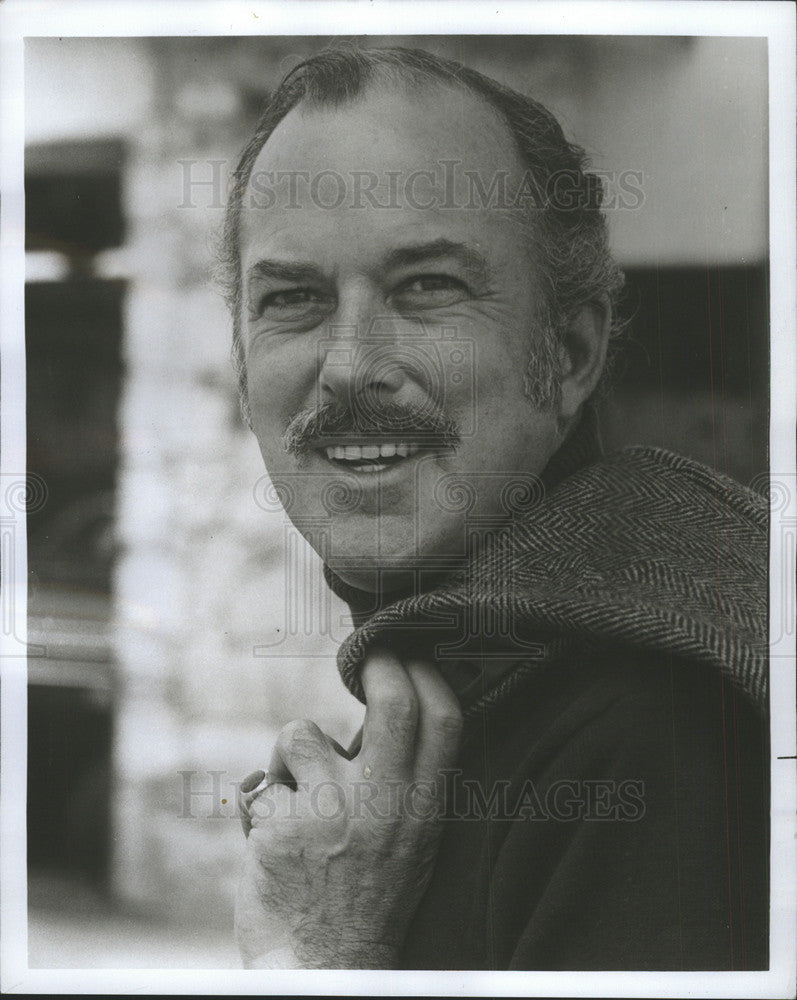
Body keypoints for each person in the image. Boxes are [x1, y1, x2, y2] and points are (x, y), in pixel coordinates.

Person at [219, 46, 769, 970]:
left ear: (568, 353)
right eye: (294, 299)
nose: (349, 364)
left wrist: (320, 952)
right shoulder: (494, 671)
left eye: (427, 286)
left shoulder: (649, 737)